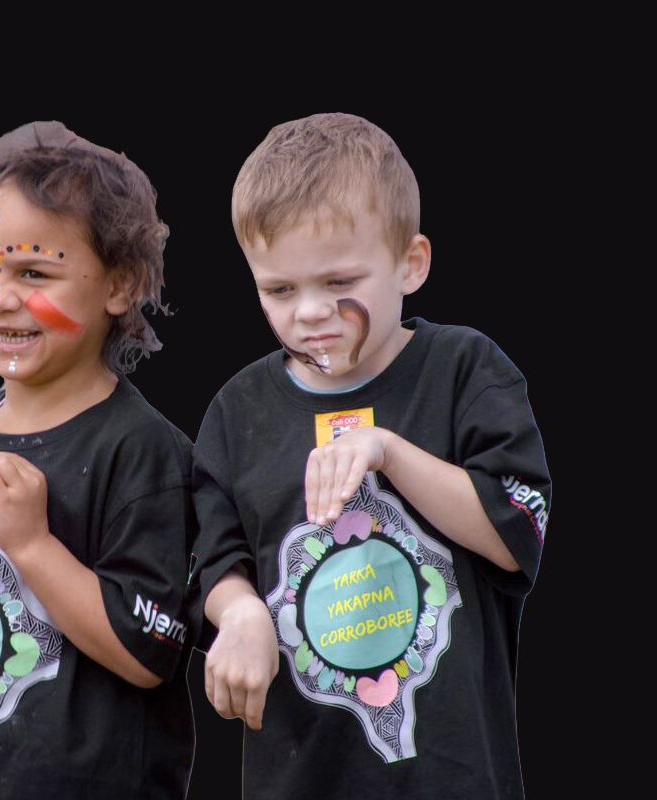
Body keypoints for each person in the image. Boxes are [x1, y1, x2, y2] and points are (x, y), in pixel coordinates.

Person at [192, 112, 551, 799]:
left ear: (410, 264)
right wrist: (237, 613)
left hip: (452, 777)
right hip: (298, 778)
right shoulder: (236, 414)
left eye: (338, 282)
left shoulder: (466, 370)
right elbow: (212, 558)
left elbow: (518, 531)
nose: (309, 313)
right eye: (279, 290)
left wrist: (388, 451)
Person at [0, 121, 197, 799]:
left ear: (121, 284)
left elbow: (152, 653)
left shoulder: (144, 452)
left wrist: (30, 543)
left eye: (32, 272)